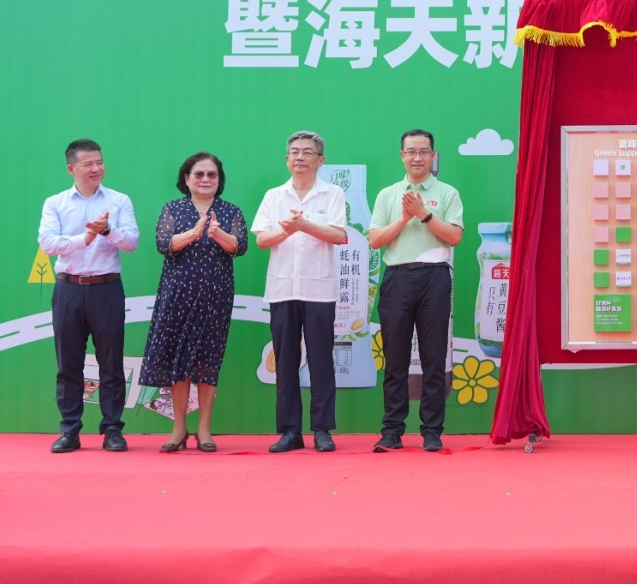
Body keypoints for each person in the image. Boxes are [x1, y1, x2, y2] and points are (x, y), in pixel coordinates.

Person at [138, 153, 248, 453]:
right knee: (179, 359)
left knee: (208, 359)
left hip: (216, 295)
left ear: (219, 180)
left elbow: (239, 247)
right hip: (177, 295)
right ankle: (179, 428)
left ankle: (204, 429)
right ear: (186, 178)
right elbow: (164, 244)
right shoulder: (173, 209)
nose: (205, 179)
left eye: (212, 174)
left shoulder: (230, 211)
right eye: (199, 174)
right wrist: (193, 233)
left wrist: (217, 233)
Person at [38, 139, 140, 453]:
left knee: (111, 362)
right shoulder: (55, 203)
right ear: (72, 169)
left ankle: (112, 429)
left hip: (107, 288)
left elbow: (131, 242)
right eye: (88, 164)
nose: (96, 168)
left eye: (99, 162)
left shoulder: (119, 200)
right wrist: (84, 238)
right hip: (68, 289)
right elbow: (47, 243)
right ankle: (70, 430)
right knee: (68, 364)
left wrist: (107, 230)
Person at [367, 130, 465, 453]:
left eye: (424, 151)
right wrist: (404, 217)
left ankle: (432, 431)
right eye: (411, 151)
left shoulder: (447, 193)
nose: (417, 157)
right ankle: (392, 431)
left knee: (433, 358)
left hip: (434, 277)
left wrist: (424, 215)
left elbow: (454, 236)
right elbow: (375, 240)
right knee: (395, 359)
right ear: (402, 156)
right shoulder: (388, 195)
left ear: (433, 155)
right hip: (397, 277)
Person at [251, 131, 347, 453]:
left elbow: (338, 235)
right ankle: (290, 431)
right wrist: (287, 231)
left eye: (307, 152)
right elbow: (261, 240)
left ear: (321, 160)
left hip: (319, 290)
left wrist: (305, 225)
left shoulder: (332, 194)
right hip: (282, 289)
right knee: (286, 361)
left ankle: (322, 429)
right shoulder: (274, 196)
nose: (300, 157)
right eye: (294, 152)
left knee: (321, 360)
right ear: (287, 159)